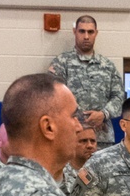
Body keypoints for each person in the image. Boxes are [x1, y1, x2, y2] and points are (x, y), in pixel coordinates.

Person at [49, 16, 124, 147]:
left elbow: (119, 96)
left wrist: (103, 114)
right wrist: (81, 118)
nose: (86, 36)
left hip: (102, 139)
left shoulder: (107, 66)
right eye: (82, 31)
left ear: (96, 33)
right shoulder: (61, 63)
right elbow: (53, 96)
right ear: (74, 32)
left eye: (90, 32)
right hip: (72, 137)